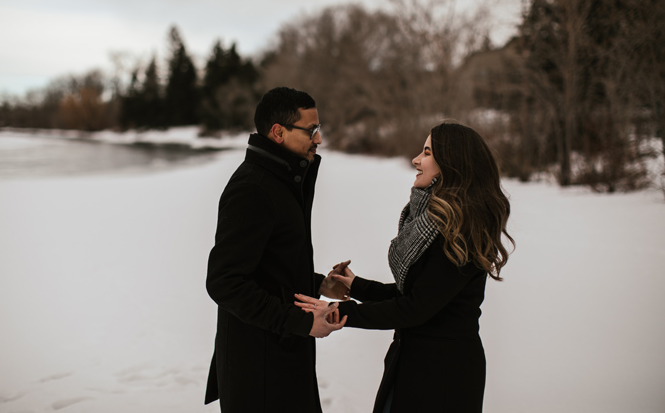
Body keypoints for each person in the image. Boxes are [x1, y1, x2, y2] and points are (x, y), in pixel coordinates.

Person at [295, 121, 514, 413]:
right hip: (414, 362)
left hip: (443, 376)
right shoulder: (431, 223)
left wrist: (338, 313)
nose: (416, 160)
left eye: (426, 153)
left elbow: (415, 308)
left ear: (451, 165)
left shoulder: (460, 231)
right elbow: (416, 294)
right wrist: (356, 286)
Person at [205, 87, 349, 413]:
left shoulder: (283, 180)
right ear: (278, 132)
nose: (319, 139)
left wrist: (319, 286)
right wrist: (300, 322)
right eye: (311, 130)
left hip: (280, 356)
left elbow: (271, 268)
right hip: (259, 368)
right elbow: (224, 282)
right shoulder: (253, 189)